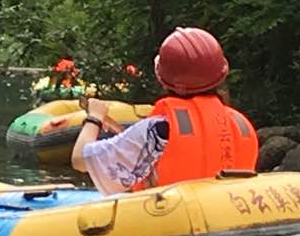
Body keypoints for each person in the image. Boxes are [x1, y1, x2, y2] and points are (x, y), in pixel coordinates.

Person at [71, 27, 259, 195]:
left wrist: (94, 117)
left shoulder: (158, 129)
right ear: (221, 75)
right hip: (228, 218)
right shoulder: (241, 123)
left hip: (170, 222)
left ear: (163, 79)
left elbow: (79, 160)